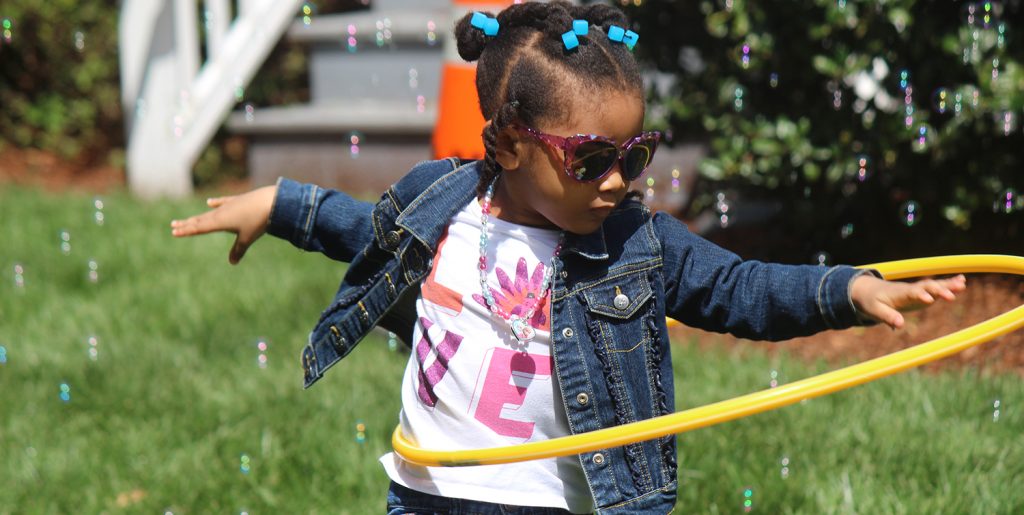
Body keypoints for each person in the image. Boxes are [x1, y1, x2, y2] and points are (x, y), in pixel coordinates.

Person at [171, 2, 966, 513]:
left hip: (552, 503)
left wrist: (848, 288)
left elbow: (737, 286)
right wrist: (279, 204)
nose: (620, 179)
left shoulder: (635, 244)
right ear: (512, 143)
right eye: (591, 158)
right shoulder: (441, 203)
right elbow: (360, 228)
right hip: (421, 493)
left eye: (637, 152)